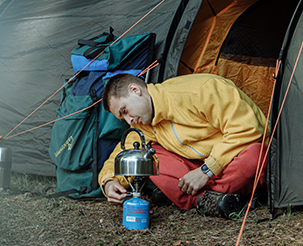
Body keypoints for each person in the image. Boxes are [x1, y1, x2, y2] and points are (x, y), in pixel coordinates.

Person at [98, 73, 268, 218]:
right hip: (196, 170)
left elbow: (248, 129)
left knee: (257, 155)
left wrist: (207, 171)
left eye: (125, 111)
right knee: (150, 156)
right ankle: (209, 200)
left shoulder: (201, 90)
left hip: (230, 162)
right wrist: (108, 181)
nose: (129, 120)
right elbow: (125, 150)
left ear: (135, 90)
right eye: (123, 118)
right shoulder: (143, 125)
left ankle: (193, 197)